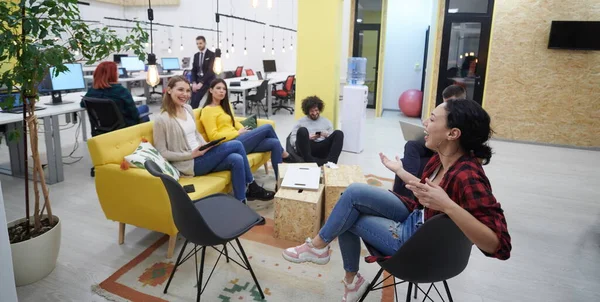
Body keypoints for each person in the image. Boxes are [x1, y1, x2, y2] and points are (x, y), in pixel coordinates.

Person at [282, 99, 512, 302]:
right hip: (418, 217)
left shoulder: (468, 176)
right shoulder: (442, 159)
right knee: (351, 194)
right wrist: (400, 171)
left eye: (432, 119)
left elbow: (498, 245)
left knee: (347, 217)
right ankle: (333, 263)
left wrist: (448, 206)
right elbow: (427, 191)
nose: (425, 123)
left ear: (453, 134)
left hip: (418, 244)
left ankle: (330, 260)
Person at [153, 76, 273, 205]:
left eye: (188, 91)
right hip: (189, 163)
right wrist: (191, 154)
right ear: (169, 90)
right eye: (180, 90)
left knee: (236, 159)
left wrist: (206, 145)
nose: (185, 94)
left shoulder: (187, 109)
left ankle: (241, 202)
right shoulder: (162, 119)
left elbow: (195, 133)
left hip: (203, 154)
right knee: (237, 144)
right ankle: (252, 185)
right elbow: (162, 152)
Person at [200, 79, 291, 186]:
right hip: (230, 144)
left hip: (240, 139)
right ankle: (285, 154)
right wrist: (237, 133)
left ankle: (279, 181)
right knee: (267, 127)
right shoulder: (207, 110)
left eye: (224, 89)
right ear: (211, 90)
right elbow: (213, 136)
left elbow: (233, 122)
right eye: (218, 88)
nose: (222, 91)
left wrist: (247, 131)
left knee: (274, 143)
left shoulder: (225, 105)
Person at [393, 84, 466, 198]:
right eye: (444, 103)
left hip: (444, 152)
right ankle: (401, 194)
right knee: (411, 147)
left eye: (450, 103)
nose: (446, 106)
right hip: (436, 148)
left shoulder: (464, 119)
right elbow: (428, 123)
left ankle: (407, 193)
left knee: (404, 163)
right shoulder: (442, 111)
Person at [82, 61, 149, 126]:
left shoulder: (92, 90)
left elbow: (83, 104)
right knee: (144, 108)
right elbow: (134, 114)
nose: (118, 74)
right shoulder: (121, 91)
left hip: (102, 127)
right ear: (113, 75)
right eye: (117, 71)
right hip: (124, 126)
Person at [289, 96, 344, 166]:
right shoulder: (300, 122)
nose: (314, 113)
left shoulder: (327, 122)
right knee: (302, 131)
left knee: (339, 133)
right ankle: (309, 162)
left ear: (319, 109)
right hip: (307, 147)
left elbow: (333, 140)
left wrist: (326, 135)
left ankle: (331, 163)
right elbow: (292, 139)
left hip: (322, 145)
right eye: (312, 111)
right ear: (307, 111)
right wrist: (306, 138)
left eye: (316, 110)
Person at [190, 36, 215, 109]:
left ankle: (192, 113)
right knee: (192, 97)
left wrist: (201, 82)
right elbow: (194, 70)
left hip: (208, 80)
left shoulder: (211, 55)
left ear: (205, 43)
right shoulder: (196, 55)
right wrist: (194, 82)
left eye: (200, 43)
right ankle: (192, 112)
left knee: (196, 98)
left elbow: (210, 71)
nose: (199, 45)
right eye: (197, 44)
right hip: (198, 80)